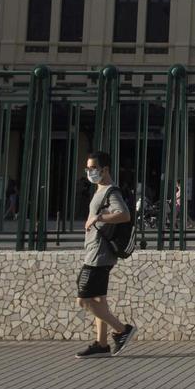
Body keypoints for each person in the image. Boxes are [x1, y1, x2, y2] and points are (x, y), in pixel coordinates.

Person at [75, 151, 138, 358]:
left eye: (93, 168)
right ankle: (101, 345)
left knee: (83, 300)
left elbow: (124, 214)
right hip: (95, 252)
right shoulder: (100, 190)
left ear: (105, 169)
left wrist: (99, 217)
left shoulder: (111, 192)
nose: (89, 172)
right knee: (98, 300)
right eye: (88, 168)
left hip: (99, 255)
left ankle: (122, 330)